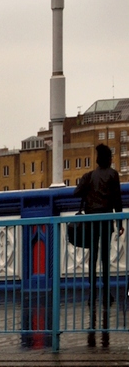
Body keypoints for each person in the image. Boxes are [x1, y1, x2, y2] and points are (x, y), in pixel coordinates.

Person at [75, 143, 124, 348]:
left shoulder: (90, 176)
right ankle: (106, 294)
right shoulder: (113, 175)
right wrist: (119, 223)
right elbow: (118, 200)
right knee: (104, 257)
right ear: (109, 158)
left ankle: (92, 294)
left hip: (91, 220)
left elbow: (76, 192)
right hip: (105, 220)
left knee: (93, 258)